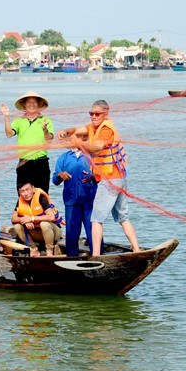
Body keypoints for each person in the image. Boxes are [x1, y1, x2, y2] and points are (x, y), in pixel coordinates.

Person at [57, 100, 140, 255]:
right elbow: (77, 129)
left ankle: (95, 255)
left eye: (97, 114)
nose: (94, 116)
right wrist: (66, 132)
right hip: (118, 178)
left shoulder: (106, 129)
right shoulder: (93, 127)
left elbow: (97, 147)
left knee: (96, 219)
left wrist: (80, 143)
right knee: (122, 216)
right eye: (91, 113)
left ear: (106, 113)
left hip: (110, 179)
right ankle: (136, 249)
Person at [52, 134, 100, 256]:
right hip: (71, 200)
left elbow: (102, 174)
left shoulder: (91, 155)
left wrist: (93, 176)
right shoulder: (64, 158)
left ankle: (98, 254)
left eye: (74, 139)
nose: (70, 141)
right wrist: (60, 174)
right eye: (70, 139)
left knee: (92, 229)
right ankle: (72, 257)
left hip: (90, 199)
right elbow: (55, 180)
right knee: (72, 231)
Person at [0, 91, 54, 193]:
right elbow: (9, 134)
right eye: (29, 102)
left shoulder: (46, 120)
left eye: (34, 102)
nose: (31, 105)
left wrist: (45, 130)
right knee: (23, 196)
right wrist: (6, 117)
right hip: (24, 163)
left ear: (39, 104)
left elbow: (49, 138)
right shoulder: (19, 121)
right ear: (24, 104)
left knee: (42, 195)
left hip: (41, 162)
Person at [11, 181, 63, 257]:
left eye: (27, 189)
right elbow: (13, 219)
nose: (26, 193)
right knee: (17, 226)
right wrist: (24, 220)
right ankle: (33, 249)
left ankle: (49, 251)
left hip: (53, 232)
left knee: (44, 224)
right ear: (19, 193)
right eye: (22, 191)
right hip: (36, 233)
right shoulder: (20, 201)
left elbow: (51, 217)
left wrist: (31, 218)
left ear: (33, 188)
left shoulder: (41, 198)